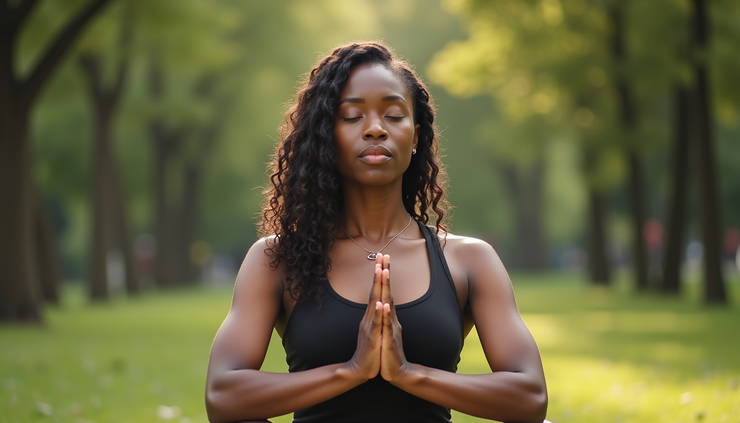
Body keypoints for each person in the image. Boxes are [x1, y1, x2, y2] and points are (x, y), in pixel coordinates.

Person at [205, 41, 548, 423]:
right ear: (326, 138)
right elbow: (223, 395)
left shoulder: (469, 260)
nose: (374, 129)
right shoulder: (277, 259)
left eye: (393, 115)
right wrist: (351, 370)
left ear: (416, 138)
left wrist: (407, 373)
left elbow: (530, 396)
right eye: (352, 117)